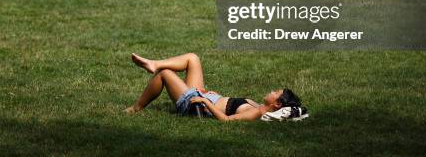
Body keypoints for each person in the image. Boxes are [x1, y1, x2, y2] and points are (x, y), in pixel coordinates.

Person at [124, 52, 302, 121]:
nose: (271, 91)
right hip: (206, 96)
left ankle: (136, 108)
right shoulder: (257, 106)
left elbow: (226, 120)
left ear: (277, 104)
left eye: (275, 93)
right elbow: (228, 105)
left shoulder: (256, 112)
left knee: (165, 74)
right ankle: (154, 63)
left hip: (196, 105)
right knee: (192, 58)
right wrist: (215, 96)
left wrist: (205, 101)